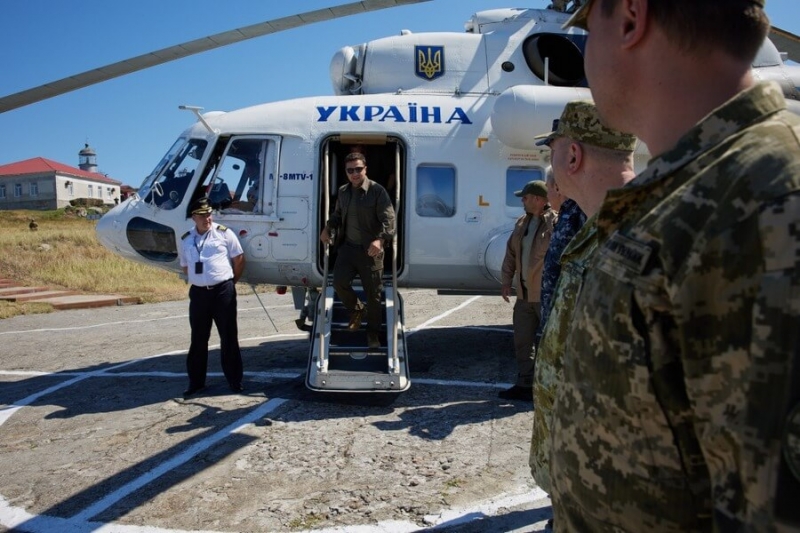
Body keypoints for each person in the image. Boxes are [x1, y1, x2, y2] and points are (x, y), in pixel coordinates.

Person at [547, 1, 800, 530]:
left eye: (588, 29)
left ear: (632, 18)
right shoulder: (695, 193)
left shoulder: (766, 198)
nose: (585, 53)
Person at [527, 100, 636, 502]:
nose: (550, 164)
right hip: (578, 481)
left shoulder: (639, 242)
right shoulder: (596, 231)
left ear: (572, 155)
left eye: (551, 151)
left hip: (611, 495)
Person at [320, 152, 395, 349]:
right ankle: (356, 310)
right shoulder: (344, 191)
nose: (354, 173)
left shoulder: (377, 191)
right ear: (346, 172)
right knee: (339, 282)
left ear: (365, 169)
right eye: (350, 170)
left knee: (374, 295)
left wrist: (380, 240)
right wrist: (328, 228)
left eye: (358, 169)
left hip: (371, 251)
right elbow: (337, 216)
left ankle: (372, 334)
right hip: (348, 248)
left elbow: (390, 221)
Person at [178, 197, 246, 398]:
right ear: (193, 217)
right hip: (199, 294)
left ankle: (235, 381)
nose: (206, 218)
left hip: (222, 291)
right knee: (198, 339)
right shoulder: (186, 239)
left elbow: (239, 259)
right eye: (202, 215)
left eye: (208, 214)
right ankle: (196, 383)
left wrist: (231, 283)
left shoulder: (224, 234)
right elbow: (184, 266)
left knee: (228, 337)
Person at [499, 180, 557, 401]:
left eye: (525, 197)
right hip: (523, 297)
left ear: (538, 199)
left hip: (545, 296)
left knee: (551, 344)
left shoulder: (555, 222)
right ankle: (525, 385)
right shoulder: (522, 223)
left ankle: (549, 390)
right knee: (522, 342)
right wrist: (506, 281)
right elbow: (511, 254)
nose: (522, 200)